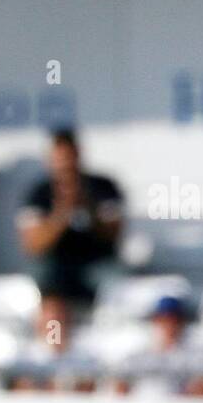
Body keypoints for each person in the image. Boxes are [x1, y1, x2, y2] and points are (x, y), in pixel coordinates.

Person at [16, 129, 123, 305]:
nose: (65, 164)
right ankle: (54, 330)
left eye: (69, 157)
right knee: (41, 276)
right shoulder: (40, 194)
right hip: (56, 264)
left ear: (78, 155)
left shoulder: (102, 187)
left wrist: (88, 207)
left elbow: (113, 234)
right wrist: (62, 214)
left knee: (115, 278)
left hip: (96, 261)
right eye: (60, 158)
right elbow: (33, 245)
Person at [117, 295, 203, 397]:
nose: (168, 324)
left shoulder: (197, 356)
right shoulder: (139, 356)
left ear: (182, 322)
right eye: (163, 319)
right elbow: (120, 386)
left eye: (174, 319)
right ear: (155, 321)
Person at [9, 290, 101, 392]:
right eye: (49, 319)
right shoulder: (24, 356)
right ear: (38, 322)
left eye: (58, 318)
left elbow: (91, 387)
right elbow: (20, 388)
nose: (54, 325)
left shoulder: (85, 357)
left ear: (68, 320)